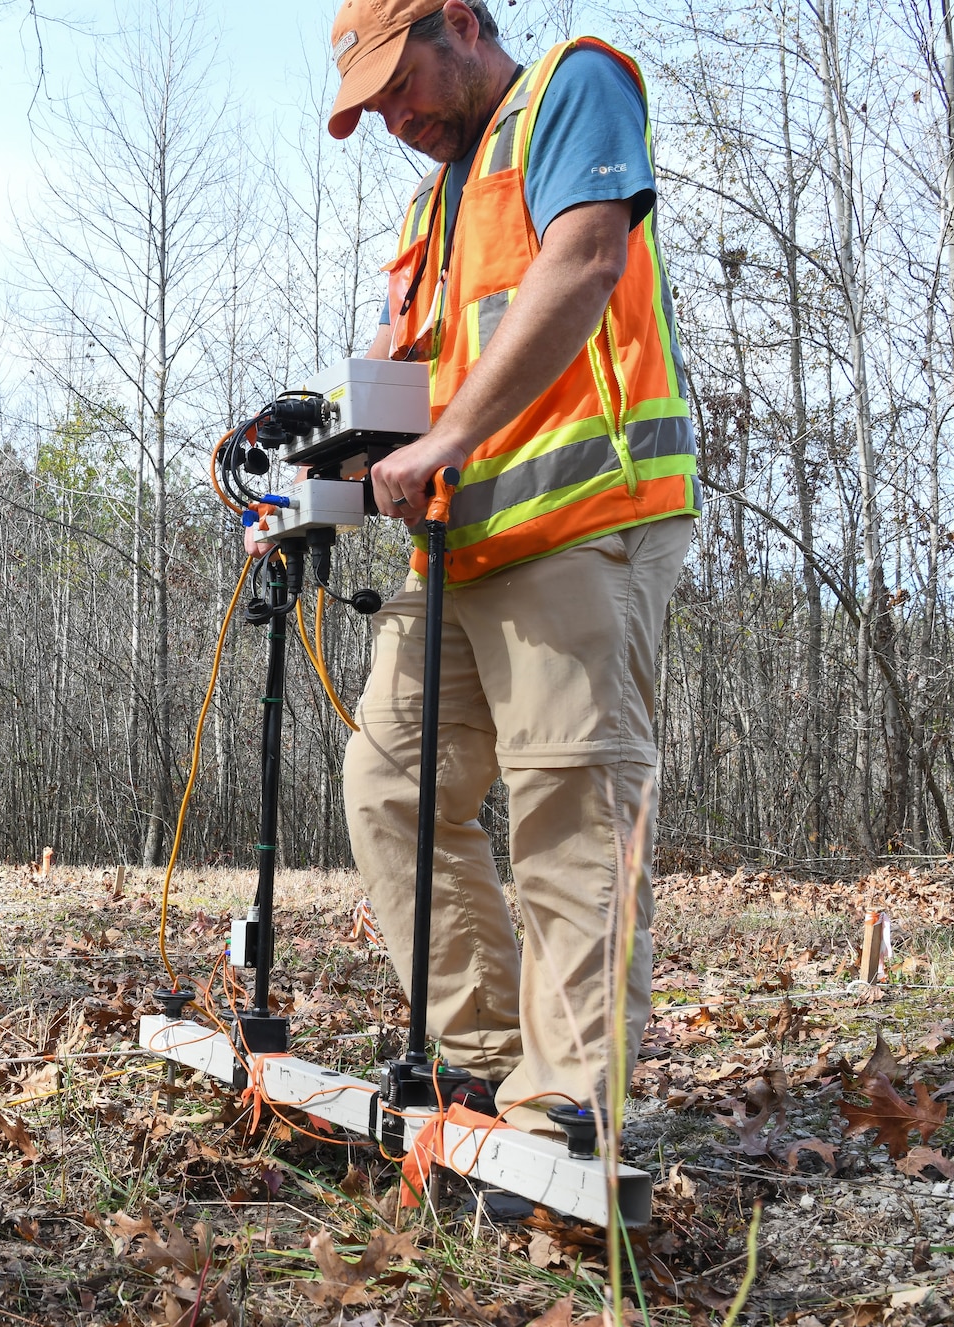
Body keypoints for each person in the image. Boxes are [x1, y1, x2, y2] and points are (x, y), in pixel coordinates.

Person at [319, 0, 697, 1133]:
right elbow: (396, 397)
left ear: (465, 25)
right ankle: (478, 1056)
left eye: (402, 83)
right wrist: (301, 491)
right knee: (388, 783)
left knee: (567, 807)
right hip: (458, 549)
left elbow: (583, 262)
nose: (394, 116)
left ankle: (570, 1101)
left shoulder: (568, 92)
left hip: (583, 524)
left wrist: (448, 440)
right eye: (374, 104)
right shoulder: (426, 209)